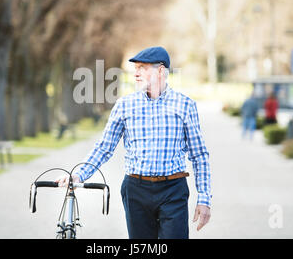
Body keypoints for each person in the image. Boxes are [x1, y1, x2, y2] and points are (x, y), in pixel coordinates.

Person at [57, 46, 212, 239]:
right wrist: (79, 175)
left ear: (161, 70)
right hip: (136, 191)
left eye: (142, 67)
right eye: (135, 68)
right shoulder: (125, 105)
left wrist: (204, 199)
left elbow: (199, 155)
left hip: (173, 190)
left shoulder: (185, 105)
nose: (136, 73)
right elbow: (105, 147)